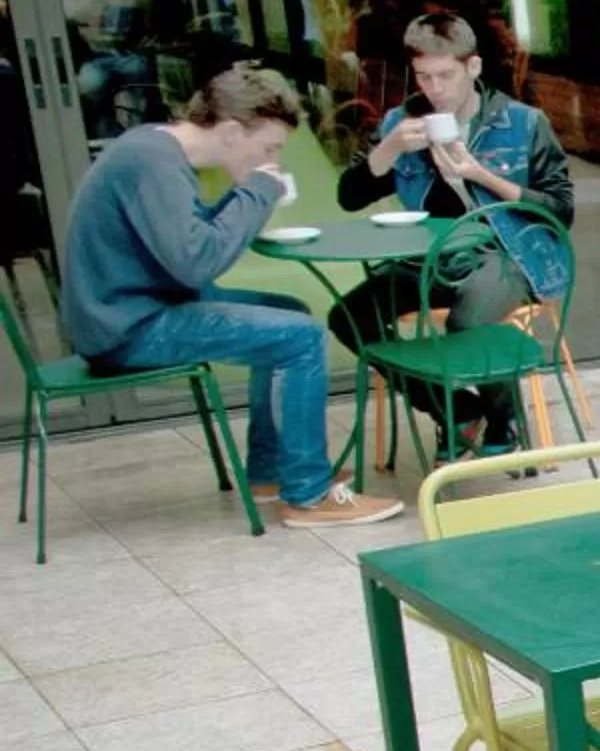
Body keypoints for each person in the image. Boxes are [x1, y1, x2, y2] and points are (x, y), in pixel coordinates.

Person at [55, 65, 399, 526]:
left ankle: (270, 470)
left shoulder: (156, 150)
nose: (274, 159)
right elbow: (196, 262)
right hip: (127, 328)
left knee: (288, 313)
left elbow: (186, 244)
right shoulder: (153, 161)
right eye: (269, 148)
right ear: (234, 132)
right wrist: (256, 191)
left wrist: (244, 197)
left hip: (130, 311)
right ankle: (308, 495)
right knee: (300, 336)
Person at [331, 14, 574, 455]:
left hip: (505, 255)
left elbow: (561, 210)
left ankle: (504, 420)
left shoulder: (521, 123)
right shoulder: (402, 124)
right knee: (347, 316)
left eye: (446, 75)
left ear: (473, 67)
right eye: (424, 77)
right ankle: (453, 407)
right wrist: (388, 149)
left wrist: (480, 176)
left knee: (470, 321)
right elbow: (349, 197)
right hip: (430, 260)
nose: (435, 89)